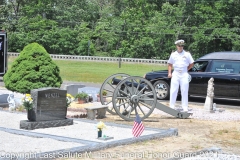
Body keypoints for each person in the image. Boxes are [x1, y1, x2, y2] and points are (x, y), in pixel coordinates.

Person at [167, 39, 194, 112]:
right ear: (177, 46)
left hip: (184, 73)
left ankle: (185, 107)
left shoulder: (187, 54)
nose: (180, 47)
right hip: (175, 73)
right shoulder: (173, 54)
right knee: (173, 90)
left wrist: (187, 69)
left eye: (182, 46)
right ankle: (171, 106)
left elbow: (192, 63)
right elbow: (170, 64)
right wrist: (169, 73)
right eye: (179, 46)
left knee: (184, 90)